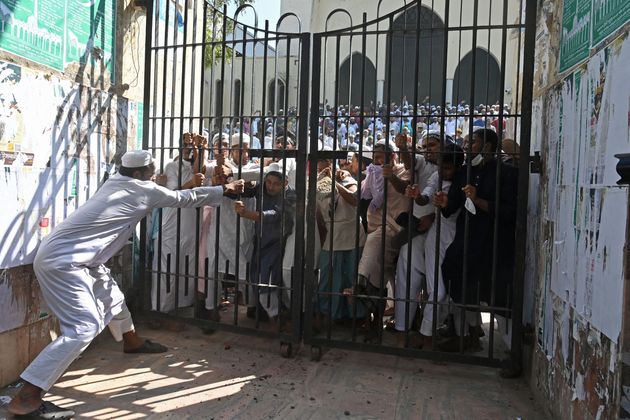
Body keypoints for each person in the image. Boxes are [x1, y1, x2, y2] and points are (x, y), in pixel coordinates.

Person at [7, 150, 244, 418]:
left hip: (80, 258)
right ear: (139, 174)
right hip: (65, 262)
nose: (154, 175)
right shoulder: (141, 190)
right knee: (85, 327)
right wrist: (224, 190)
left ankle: (132, 342)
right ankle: (27, 397)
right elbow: (183, 198)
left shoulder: (114, 181)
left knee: (114, 299)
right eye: (151, 171)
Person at [434, 128, 518, 350]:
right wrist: (443, 202)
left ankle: (511, 352)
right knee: (460, 283)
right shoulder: (465, 173)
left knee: (498, 296)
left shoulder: (506, 173)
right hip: (468, 242)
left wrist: (478, 200)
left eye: (473, 142)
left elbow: (510, 211)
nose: (467, 146)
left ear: (487, 147)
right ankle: (469, 333)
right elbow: (452, 206)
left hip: (494, 243)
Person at [152, 132, 208, 312]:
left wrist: (202, 149)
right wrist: (190, 183)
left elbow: (200, 172)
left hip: (191, 227)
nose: (188, 149)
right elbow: (173, 196)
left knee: (186, 269)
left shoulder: (199, 169)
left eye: (192, 146)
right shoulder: (171, 166)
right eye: (185, 145)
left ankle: (181, 308)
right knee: (166, 269)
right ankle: (160, 310)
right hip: (171, 225)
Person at [234, 163, 296, 321]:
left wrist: (247, 213)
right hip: (260, 242)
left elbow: (274, 214)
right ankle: (267, 310)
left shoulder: (290, 195)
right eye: (269, 182)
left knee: (268, 279)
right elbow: (245, 190)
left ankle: (278, 316)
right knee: (256, 276)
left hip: (278, 243)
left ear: (285, 183)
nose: (271, 187)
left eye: (276, 184)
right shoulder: (262, 188)